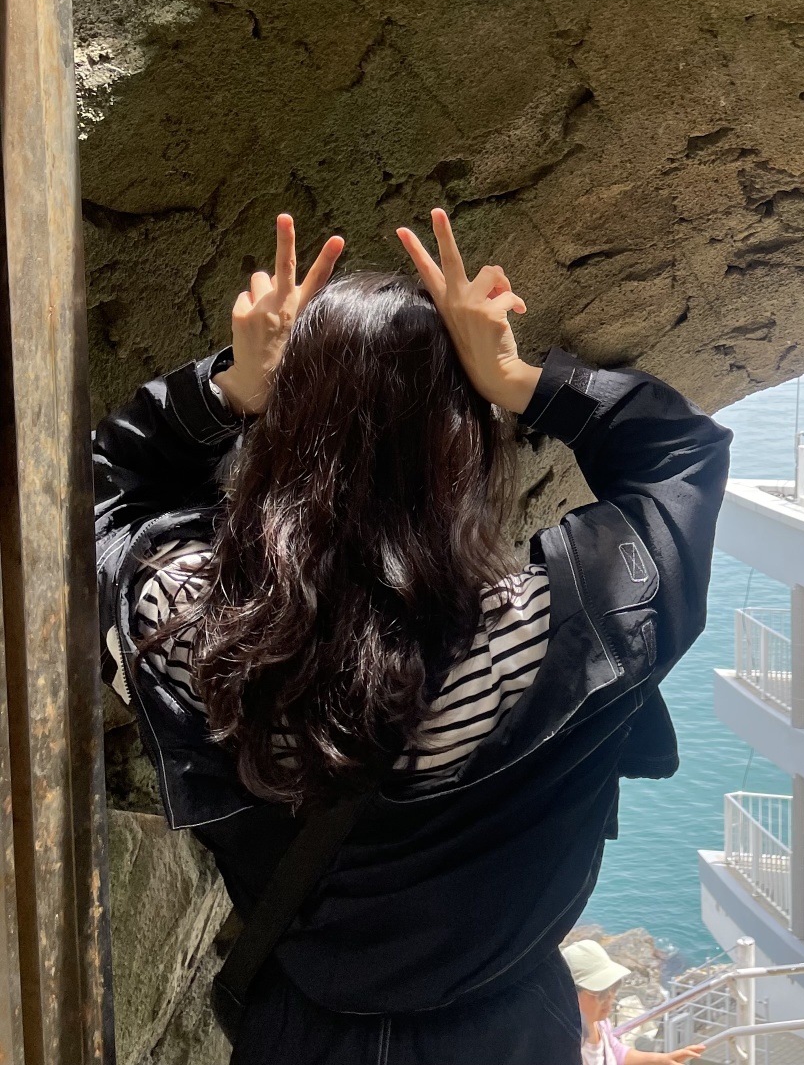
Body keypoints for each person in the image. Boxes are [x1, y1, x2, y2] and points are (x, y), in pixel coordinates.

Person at [94, 209, 731, 1065]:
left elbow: (91, 493)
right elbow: (681, 456)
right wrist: (516, 378)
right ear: (468, 446)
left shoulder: (191, 633)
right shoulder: (551, 633)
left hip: (298, 1035)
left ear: (278, 435)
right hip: (509, 1036)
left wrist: (233, 387)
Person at [561, 939, 706, 1064]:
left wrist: (661, 1059)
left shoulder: (600, 1024)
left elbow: (615, 1052)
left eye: (614, 986)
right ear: (570, 994)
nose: (610, 996)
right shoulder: (565, 1045)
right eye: (601, 992)